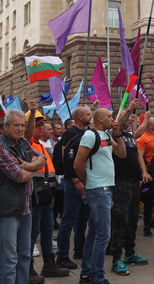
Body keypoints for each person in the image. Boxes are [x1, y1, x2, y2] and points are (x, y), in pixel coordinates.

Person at [0, 108, 46, 284]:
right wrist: (35, 166)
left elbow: (42, 157)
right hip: (8, 210)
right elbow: (19, 177)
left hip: (26, 208)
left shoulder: (22, 142)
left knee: (24, 255)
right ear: (6, 126)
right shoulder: (0, 148)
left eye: (22, 125)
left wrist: (29, 165)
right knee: (9, 260)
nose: (21, 129)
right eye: (16, 125)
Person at [74, 107, 127, 284]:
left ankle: (87, 273)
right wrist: (88, 181)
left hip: (105, 189)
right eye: (110, 116)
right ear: (100, 120)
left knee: (95, 233)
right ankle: (97, 276)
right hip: (98, 190)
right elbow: (78, 163)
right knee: (103, 235)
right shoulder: (90, 135)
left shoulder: (106, 136)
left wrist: (117, 133)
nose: (113, 118)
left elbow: (122, 153)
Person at [26, 104, 71, 280]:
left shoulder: (43, 146)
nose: (47, 129)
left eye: (43, 126)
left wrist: (51, 194)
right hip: (35, 195)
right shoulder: (27, 143)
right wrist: (31, 114)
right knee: (32, 233)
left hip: (46, 194)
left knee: (46, 230)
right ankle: (28, 267)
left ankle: (49, 264)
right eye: (40, 126)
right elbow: (29, 133)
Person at [109, 102, 149, 276]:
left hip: (134, 183)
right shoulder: (112, 134)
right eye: (126, 117)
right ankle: (116, 258)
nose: (129, 119)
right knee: (120, 221)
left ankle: (130, 253)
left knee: (132, 220)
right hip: (121, 183)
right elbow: (118, 122)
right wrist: (129, 109)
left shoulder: (131, 136)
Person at [55, 105, 93, 269]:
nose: (90, 116)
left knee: (83, 218)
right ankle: (62, 255)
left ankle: (80, 248)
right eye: (87, 114)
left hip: (85, 181)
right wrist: (76, 180)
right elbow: (67, 160)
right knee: (68, 218)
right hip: (73, 182)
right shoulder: (70, 134)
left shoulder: (86, 132)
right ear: (79, 117)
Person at [135, 111, 154, 236]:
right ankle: (146, 226)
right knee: (148, 201)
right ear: (149, 125)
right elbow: (140, 156)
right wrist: (144, 172)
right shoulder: (142, 139)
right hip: (150, 174)